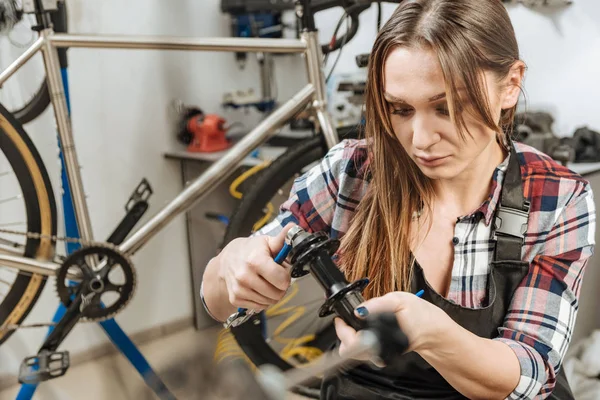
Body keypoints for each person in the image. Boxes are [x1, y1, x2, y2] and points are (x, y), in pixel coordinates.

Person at [201, 0, 596, 398]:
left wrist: (432, 335)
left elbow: (529, 376)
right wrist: (230, 267)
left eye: (447, 107)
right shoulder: (353, 173)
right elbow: (217, 301)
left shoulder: (557, 196)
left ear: (510, 85)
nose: (420, 140)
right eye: (400, 109)